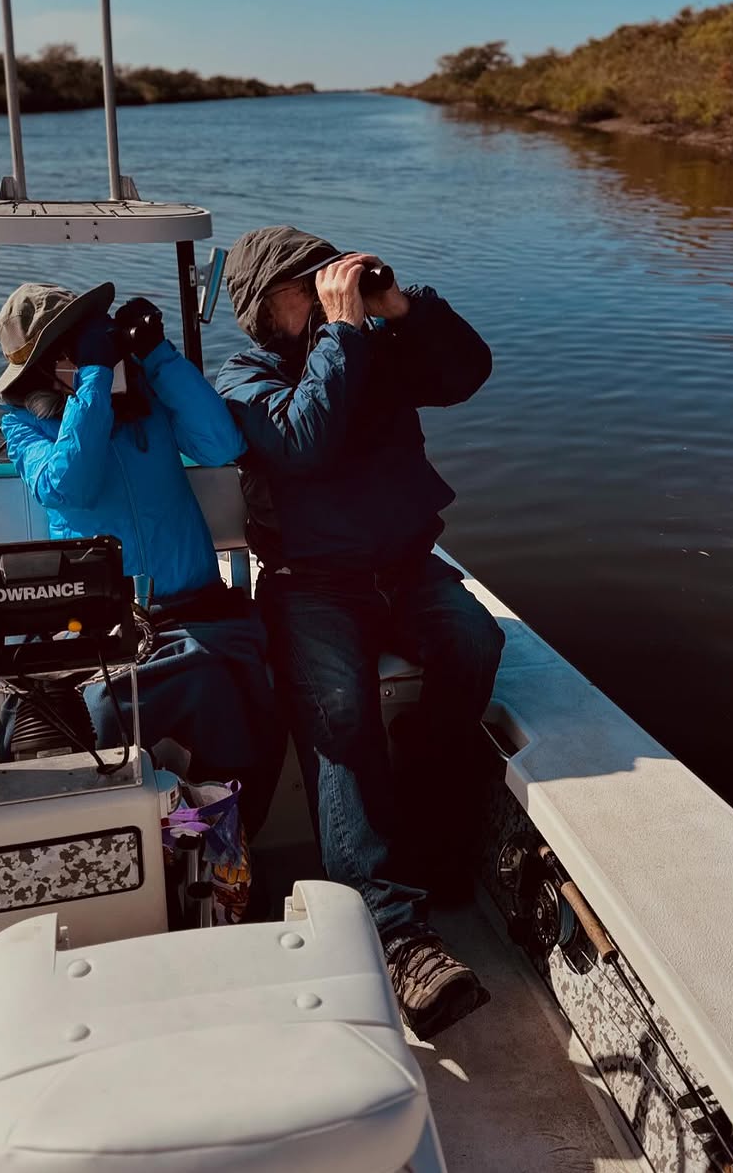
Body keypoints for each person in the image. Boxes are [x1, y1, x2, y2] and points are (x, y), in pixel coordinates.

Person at [216, 226, 506, 1039]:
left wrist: (401, 309)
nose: (322, 292)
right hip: (314, 587)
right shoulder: (242, 378)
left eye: (326, 277)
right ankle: (394, 932)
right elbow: (302, 445)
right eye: (301, 286)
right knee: (340, 716)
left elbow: (465, 373)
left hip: (408, 569)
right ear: (262, 308)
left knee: (476, 644)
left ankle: (417, 794)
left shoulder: (373, 347)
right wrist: (343, 335)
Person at [0, 280, 281, 836]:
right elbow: (67, 486)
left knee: (248, 700)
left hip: (198, 606)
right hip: (102, 623)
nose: (90, 351)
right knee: (99, 709)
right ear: (45, 364)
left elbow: (222, 445)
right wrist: (94, 382)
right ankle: (114, 840)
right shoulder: (23, 422)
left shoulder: (146, 390)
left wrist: (157, 355)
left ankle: (223, 841)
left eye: (89, 339)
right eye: (72, 347)